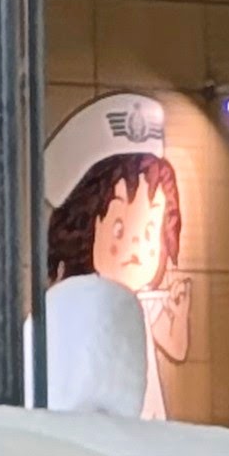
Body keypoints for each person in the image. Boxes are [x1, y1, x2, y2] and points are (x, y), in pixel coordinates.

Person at [35, 99, 187, 418]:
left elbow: (176, 346)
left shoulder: (147, 303)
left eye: (150, 231)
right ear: (84, 229)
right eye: (119, 228)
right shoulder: (77, 309)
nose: (138, 246)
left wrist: (178, 318)